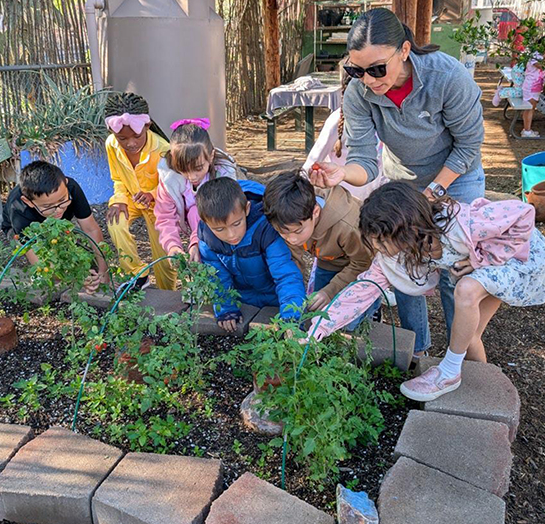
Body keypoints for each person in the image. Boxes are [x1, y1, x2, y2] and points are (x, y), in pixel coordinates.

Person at [309, 7, 486, 361]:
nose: (370, 80)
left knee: (455, 272)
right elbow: (363, 161)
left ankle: (458, 358)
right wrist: (342, 174)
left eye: (378, 69)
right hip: (402, 183)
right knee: (400, 262)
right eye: (357, 70)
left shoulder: (446, 77)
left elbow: (468, 145)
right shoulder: (359, 94)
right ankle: (416, 350)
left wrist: (431, 196)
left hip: (456, 180)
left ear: (404, 50)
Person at [310, 183, 545, 401]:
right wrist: (317, 331)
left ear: (407, 229)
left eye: (382, 242)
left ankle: (449, 372)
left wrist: (485, 259)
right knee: (469, 335)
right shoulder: (400, 253)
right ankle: (486, 391)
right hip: (490, 267)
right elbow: (361, 291)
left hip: (522, 257)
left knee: (466, 289)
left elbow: (524, 214)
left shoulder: (459, 225)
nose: (378, 249)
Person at [262, 170, 379, 329]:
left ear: (315, 212)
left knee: (348, 323)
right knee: (317, 313)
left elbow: (362, 263)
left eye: (297, 232)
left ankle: (372, 307)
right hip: (328, 260)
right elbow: (295, 262)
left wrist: (330, 291)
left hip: (362, 265)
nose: (292, 239)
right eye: (283, 233)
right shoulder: (289, 218)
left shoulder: (349, 227)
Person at [197, 177, 306, 333]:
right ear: (205, 222)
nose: (231, 235)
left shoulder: (265, 228)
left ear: (247, 209)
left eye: (237, 224)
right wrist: (226, 309)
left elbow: (286, 275)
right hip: (243, 301)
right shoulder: (207, 237)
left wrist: (292, 318)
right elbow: (217, 277)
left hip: (275, 298)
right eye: (220, 229)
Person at [104, 92, 175, 290]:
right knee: (115, 221)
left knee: (164, 261)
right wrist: (119, 200)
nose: (130, 143)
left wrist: (151, 194)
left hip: (160, 204)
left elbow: (171, 185)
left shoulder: (163, 149)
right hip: (130, 199)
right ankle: (137, 274)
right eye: (122, 138)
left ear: (147, 126)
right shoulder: (111, 145)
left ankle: (167, 295)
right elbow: (117, 178)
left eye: (136, 136)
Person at [1, 161, 109, 293]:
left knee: (92, 266)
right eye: (48, 206)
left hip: (56, 228)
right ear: (28, 201)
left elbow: (91, 229)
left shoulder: (72, 188)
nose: (58, 210)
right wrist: (77, 279)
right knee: (47, 272)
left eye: (63, 201)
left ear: (66, 182)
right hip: (20, 233)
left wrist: (104, 271)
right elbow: (38, 261)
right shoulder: (19, 210)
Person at [154, 118, 238, 263]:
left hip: (223, 231)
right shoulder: (169, 179)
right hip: (195, 228)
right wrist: (172, 245)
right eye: (183, 170)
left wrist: (196, 241)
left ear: (211, 156)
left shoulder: (223, 174)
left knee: (195, 210)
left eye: (198, 169)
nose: (192, 177)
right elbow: (165, 217)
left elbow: (212, 212)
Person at [301, 62, 388, 200]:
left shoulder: (384, 118)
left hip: (373, 198)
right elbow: (311, 164)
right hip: (343, 202)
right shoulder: (337, 119)